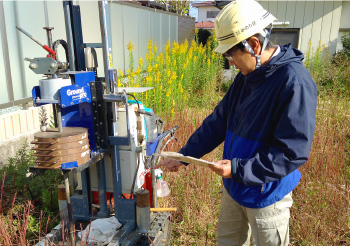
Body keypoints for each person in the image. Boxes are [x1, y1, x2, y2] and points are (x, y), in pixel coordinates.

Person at [154, 0, 317, 245]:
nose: (230, 60)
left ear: (253, 45)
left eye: (232, 52)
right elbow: (218, 122)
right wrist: (185, 155)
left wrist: (238, 169)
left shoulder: (294, 83)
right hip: (234, 189)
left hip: (267, 197)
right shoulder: (247, 76)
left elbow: (292, 153)